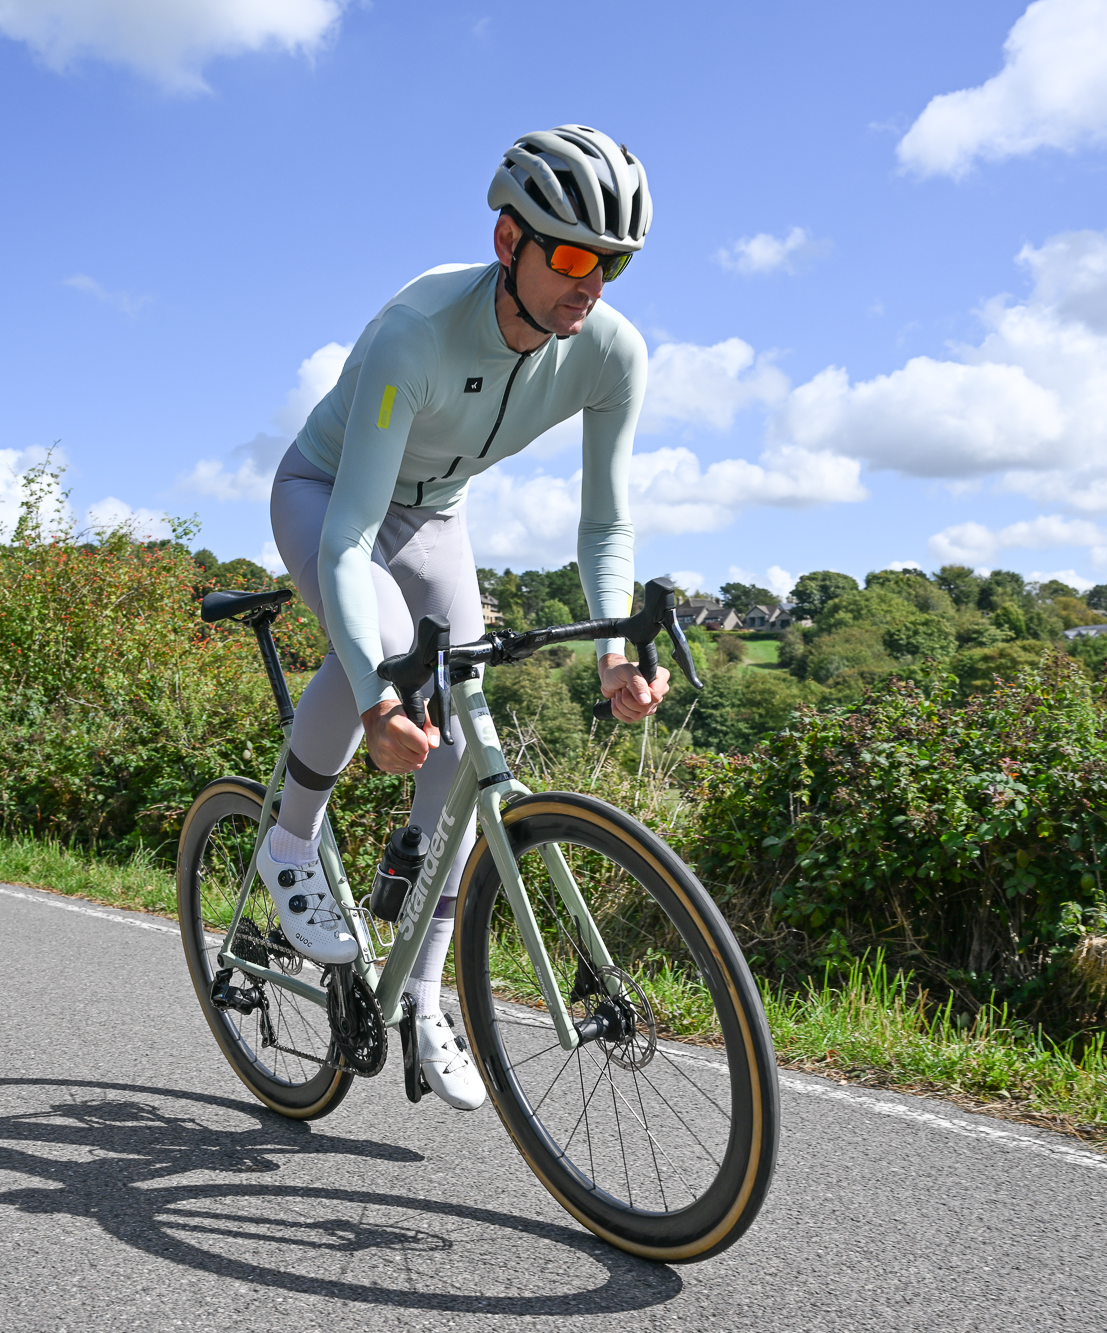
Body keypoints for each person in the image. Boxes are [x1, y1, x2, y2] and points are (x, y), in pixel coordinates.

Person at [259, 125, 670, 1110]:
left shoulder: (608, 353)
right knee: (395, 660)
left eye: (609, 262)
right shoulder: (418, 330)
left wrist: (614, 646)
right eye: (569, 256)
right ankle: (287, 845)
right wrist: (373, 698)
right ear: (507, 243)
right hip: (329, 493)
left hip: (438, 514)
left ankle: (425, 983)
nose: (591, 283)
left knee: (463, 698)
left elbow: (605, 521)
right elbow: (352, 536)